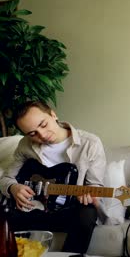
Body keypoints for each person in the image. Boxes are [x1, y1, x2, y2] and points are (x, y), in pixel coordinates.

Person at [0, 101, 106, 253]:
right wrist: (13, 188)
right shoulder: (25, 145)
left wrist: (90, 195)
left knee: (87, 212)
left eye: (43, 125)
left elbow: (95, 186)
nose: (42, 135)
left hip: (68, 212)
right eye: (32, 133)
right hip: (34, 210)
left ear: (53, 114)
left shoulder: (90, 144)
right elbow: (5, 179)